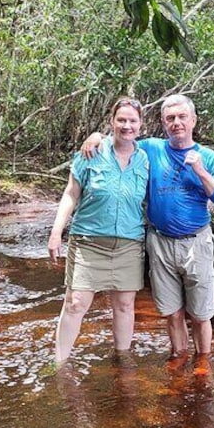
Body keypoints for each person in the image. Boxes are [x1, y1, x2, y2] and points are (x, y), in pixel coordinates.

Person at [82, 94, 214, 364]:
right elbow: (123, 137)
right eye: (170, 118)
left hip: (196, 243)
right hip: (160, 243)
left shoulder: (207, 157)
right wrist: (96, 136)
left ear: (193, 120)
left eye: (182, 117)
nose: (176, 123)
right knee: (172, 313)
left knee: (200, 314)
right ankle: (178, 358)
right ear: (163, 123)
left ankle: (202, 368)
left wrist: (200, 170)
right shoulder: (152, 148)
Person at [48, 97, 149, 365]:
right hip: (88, 241)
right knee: (76, 303)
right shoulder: (90, 153)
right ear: (111, 123)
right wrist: (56, 232)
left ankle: (122, 359)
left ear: (141, 125)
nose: (127, 126)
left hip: (128, 244)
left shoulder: (146, 159)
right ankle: (59, 363)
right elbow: (71, 193)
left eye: (132, 121)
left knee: (125, 305)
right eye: (121, 120)